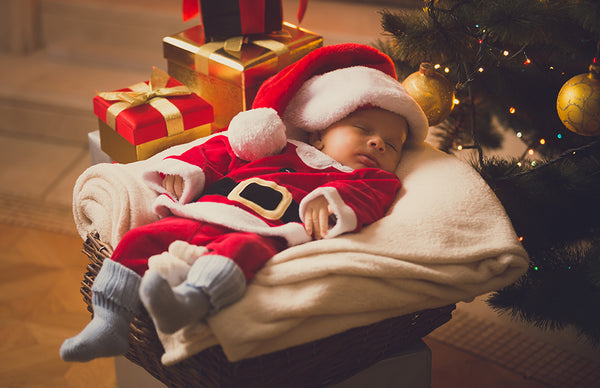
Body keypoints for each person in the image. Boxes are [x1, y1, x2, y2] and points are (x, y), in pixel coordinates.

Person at [60, 43, 429, 362]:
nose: (378, 143)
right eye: (364, 130)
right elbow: (223, 150)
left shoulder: (367, 179)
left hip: (268, 228)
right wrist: (185, 171)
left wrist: (331, 201)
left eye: (392, 144)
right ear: (319, 134)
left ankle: (190, 303)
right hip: (210, 207)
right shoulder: (282, 145)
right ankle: (108, 320)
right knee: (140, 240)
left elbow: (368, 199)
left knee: (240, 250)